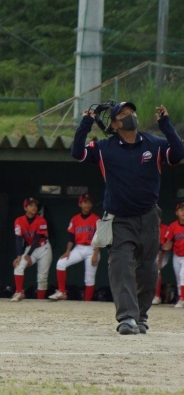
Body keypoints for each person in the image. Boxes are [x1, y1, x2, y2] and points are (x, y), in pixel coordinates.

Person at [71, 101, 184, 334]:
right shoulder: (104, 147)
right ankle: (127, 318)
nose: (130, 115)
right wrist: (86, 122)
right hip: (119, 218)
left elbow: (178, 154)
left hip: (149, 216)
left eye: (131, 112)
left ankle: (141, 316)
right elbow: (77, 152)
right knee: (120, 264)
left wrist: (166, 125)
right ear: (114, 124)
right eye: (123, 114)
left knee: (148, 269)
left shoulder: (154, 143)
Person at [48, 193, 101, 302]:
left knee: (89, 279)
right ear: (80, 204)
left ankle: (87, 303)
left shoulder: (97, 219)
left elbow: (100, 238)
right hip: (79, 248)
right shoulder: (75, 219)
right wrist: (68, 251)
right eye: (85, 202)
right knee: (61, 263)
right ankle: (62, 292)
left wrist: (96, 254)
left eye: (89, 203)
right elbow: (70, 237)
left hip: (92, 249)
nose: (87, 205)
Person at [10, 197, 52, 302]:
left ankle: (40, 302)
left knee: (42, 277)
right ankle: (19, 292)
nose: (34, 207)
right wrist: (19, 256)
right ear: (25, 208)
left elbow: (37, 238)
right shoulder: (19, 220)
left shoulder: (41, 220)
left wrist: (28, 254)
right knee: (19, 265)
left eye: (35, 205)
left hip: (44, 248)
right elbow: (18, 239)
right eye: (30, 205)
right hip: (30, 248)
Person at [161, 201, 184, 308]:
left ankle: (182, 298)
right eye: (182, 210)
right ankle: (180, 297)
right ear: (177, 212)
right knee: (178, 277)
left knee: (183, 275)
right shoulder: (173, 226)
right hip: (177, 255)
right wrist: (163, 247)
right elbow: (169, 242)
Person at [152, 221, 170, 305]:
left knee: (156, 271)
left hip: (162, 252)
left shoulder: (164, 228)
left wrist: (159, 262)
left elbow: (162, 248)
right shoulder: (146, 226)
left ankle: (157, 296)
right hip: (150, 251)